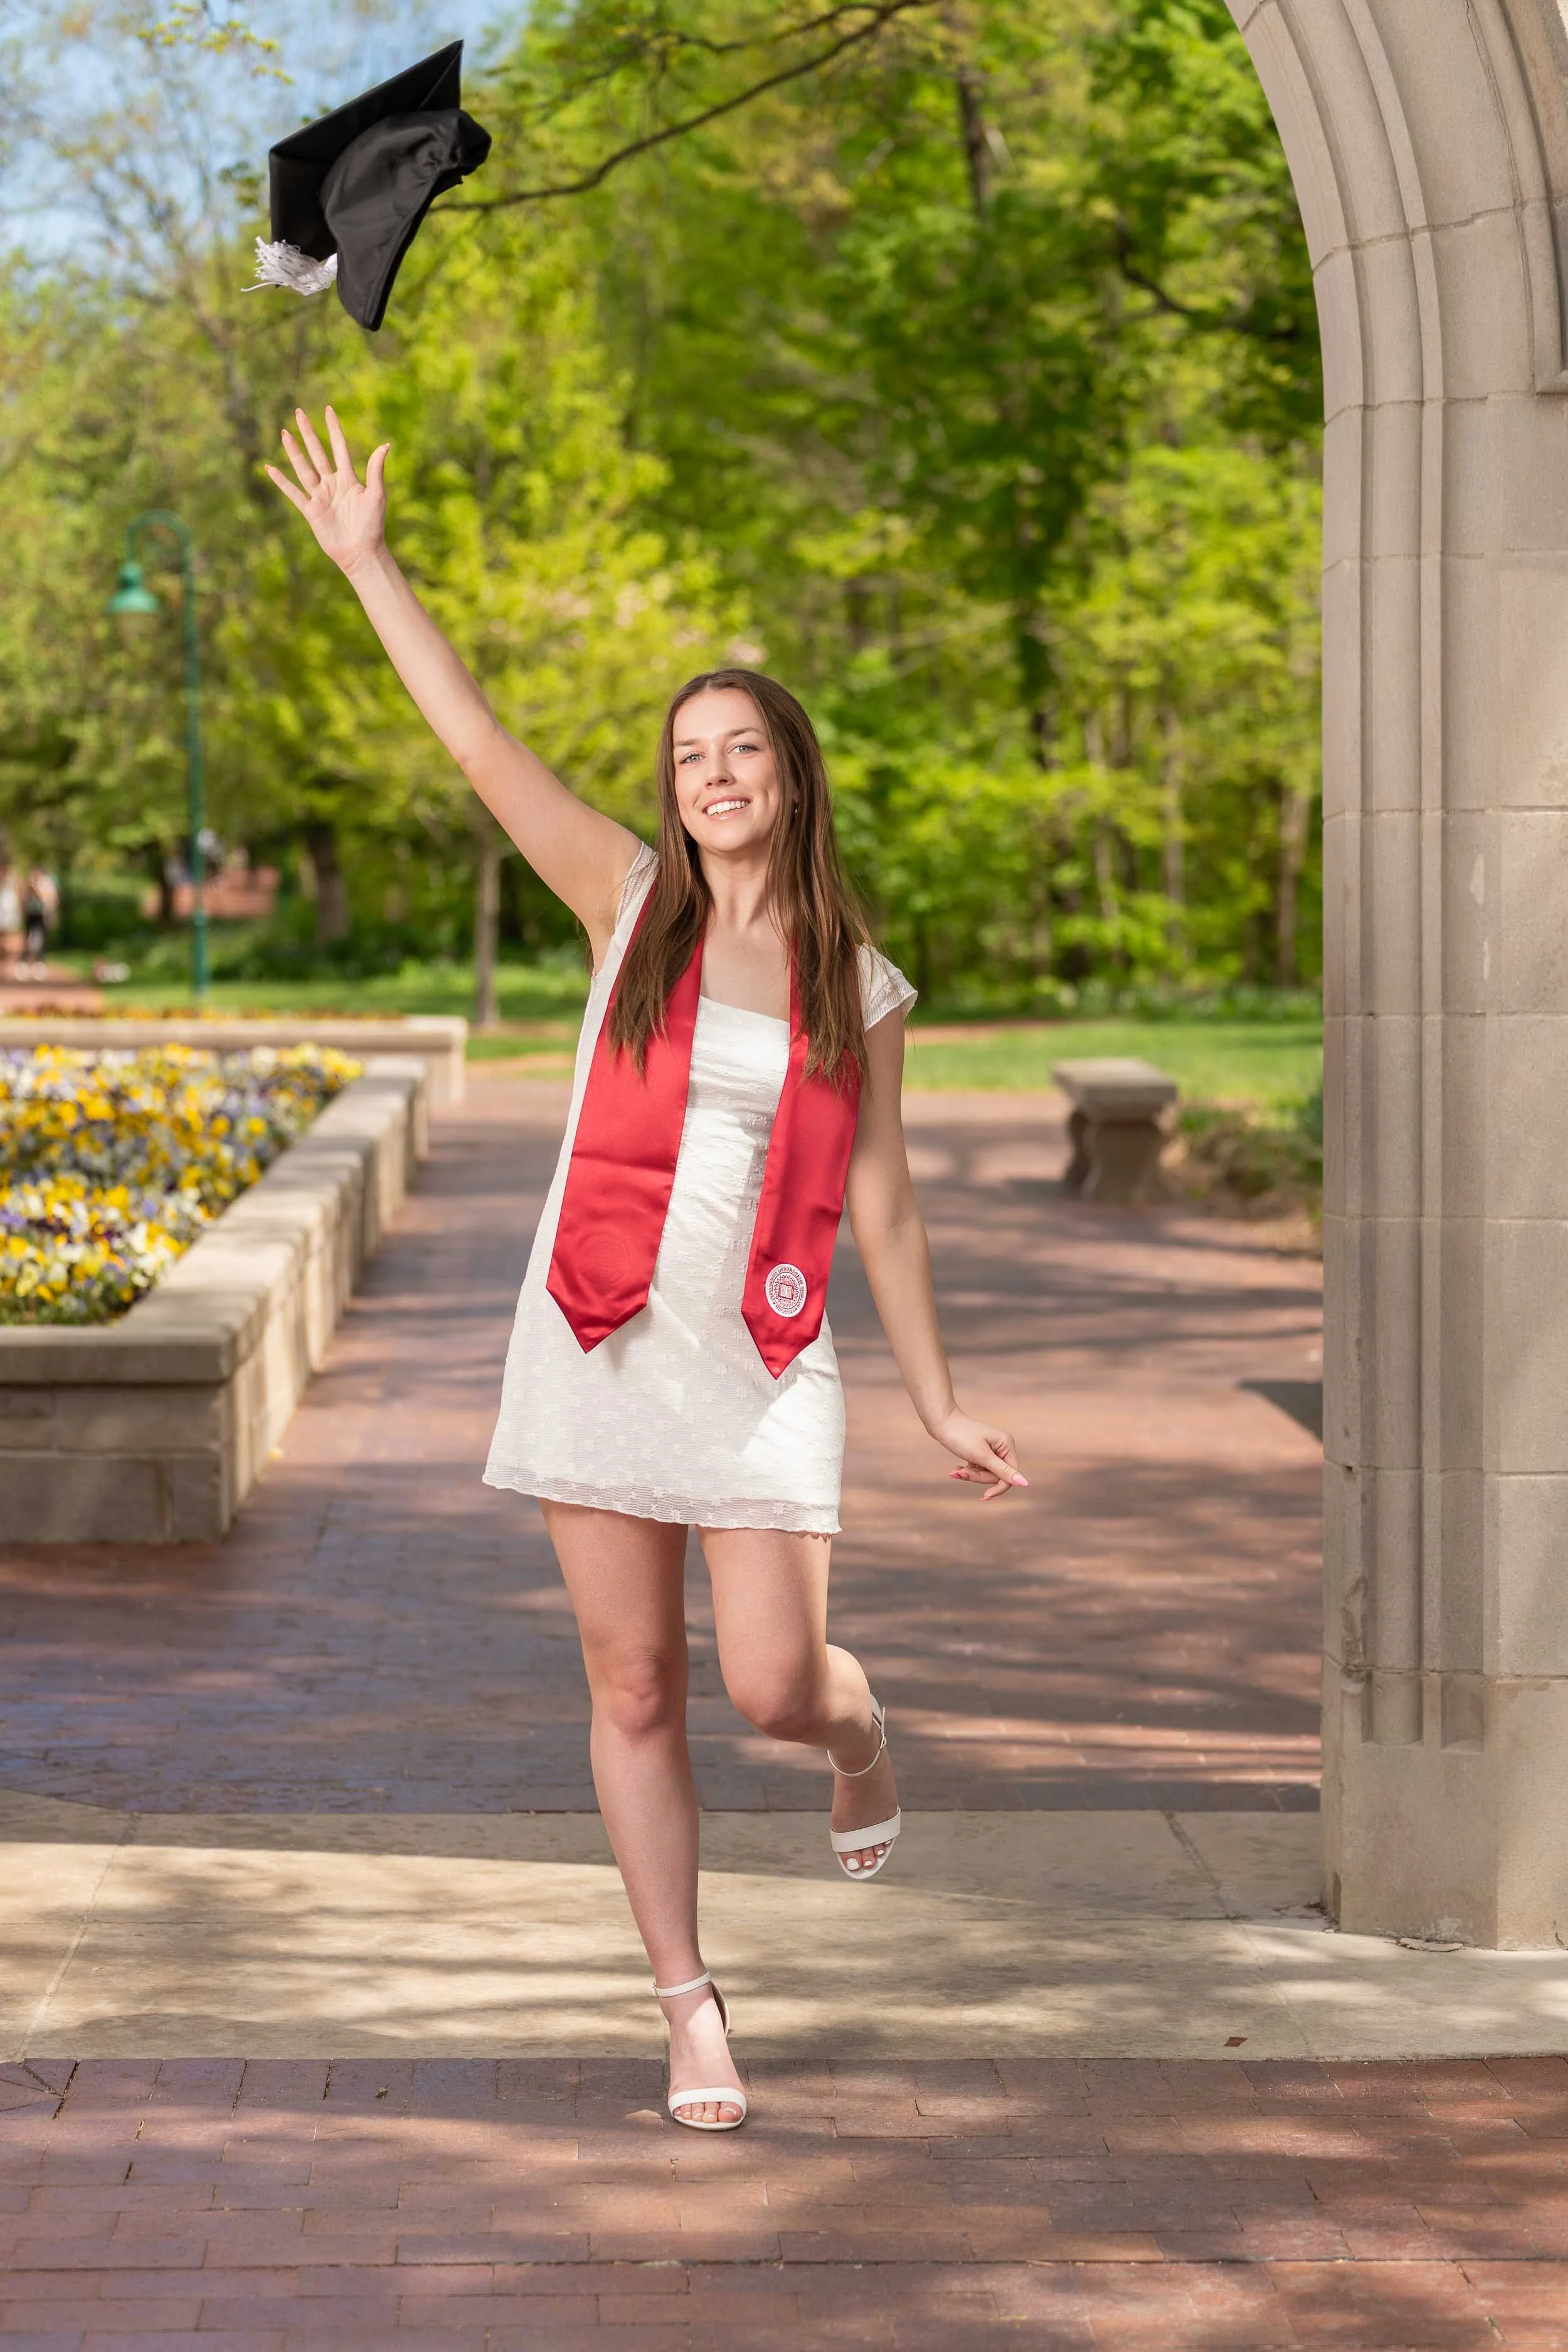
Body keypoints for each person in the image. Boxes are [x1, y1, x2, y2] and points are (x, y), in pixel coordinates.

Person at [267, 406, 1027, 2134]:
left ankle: (856, 1733)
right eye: (689, 752)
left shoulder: (865, 984)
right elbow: (474, 743)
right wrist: (367, 562)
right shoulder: (625, 905)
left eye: (741, 748)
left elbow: (888, 1198)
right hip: (599, 1337)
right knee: (632, 1684)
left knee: (769, 1681)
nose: (711, 774)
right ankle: (688, 2005)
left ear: (792, 772)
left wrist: (934, 1390)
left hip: (762, 1363)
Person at [21, 869, 58, 978]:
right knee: (28, 939)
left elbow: (49, 899)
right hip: (31, 915)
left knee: (42, 939)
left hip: (41, 915)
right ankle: (25, 963)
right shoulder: (28, 884)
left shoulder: (46, 884)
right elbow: (23, 898)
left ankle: (40, 963)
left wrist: (36, 888)